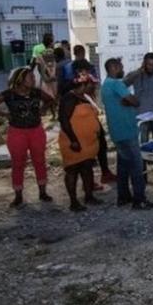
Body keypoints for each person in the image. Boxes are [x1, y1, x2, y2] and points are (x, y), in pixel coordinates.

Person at [0, 67, 54, 208]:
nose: (34, 80)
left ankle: (42, 192)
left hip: (36, 130)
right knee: (18, 163)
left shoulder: (36, 93)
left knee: (39, 161)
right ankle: (18, 195)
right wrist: (4, 115)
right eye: (31, 77)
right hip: (17, 132)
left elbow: (51, 100)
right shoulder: (9, 95)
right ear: (21, 80)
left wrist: (43, 109)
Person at [101, 58, 153, 210]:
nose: (123, 69)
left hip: (117, 131)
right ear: (113, 68)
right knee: (136, 167)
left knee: (123, 167)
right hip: (126, 131)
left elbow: (127, 87)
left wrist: (139, 71)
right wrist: (132, 100)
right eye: (120, 67)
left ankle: (123, 196)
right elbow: (134, 101)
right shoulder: (116, 84)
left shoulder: (106, 84)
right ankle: (139, 200)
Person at [58, 64, 103, 212]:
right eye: (91, 84)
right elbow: (64, 120)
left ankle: (89, 196)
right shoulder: (69, 98)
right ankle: (73, 201)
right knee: (72, 170)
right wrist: (73, 140)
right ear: (84, 84)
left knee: (87, 168)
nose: (94, 87)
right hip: (74, 141)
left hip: (88, 142)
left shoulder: (85, 97)